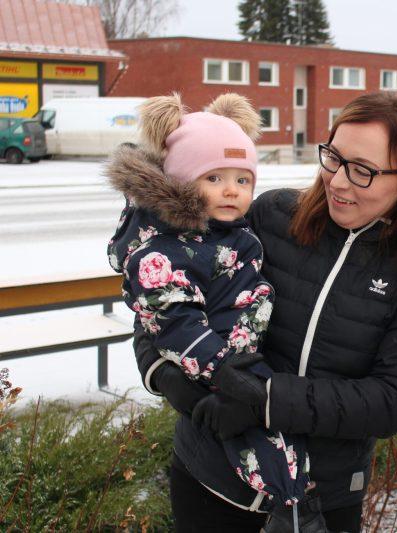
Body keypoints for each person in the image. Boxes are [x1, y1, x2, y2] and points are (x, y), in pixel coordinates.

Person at [133, 92, 397, 532]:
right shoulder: (271, 217)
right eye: (334, 158)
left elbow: (395, 398)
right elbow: (161, 294)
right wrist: (166, 377)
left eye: (362, 170)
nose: (338, 182)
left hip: (319, 502)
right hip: (208, 476)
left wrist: (264, 402)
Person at [106, 92, 313, 522]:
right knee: (257, 436)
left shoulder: (226, 230)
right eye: (214, 178)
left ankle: (290, 498)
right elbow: (172, 320)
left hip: (235, 357)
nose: (231, 191)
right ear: (182, 182)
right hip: (215, 363)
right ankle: (290, 501)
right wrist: (220, 368)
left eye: (243, 180)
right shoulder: (164, 249)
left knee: (268, 433)